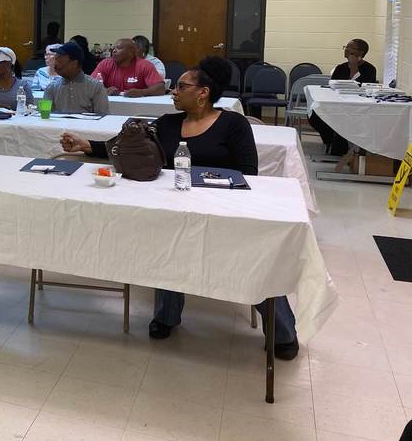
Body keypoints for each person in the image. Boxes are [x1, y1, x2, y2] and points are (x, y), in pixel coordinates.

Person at [60, 56, 299, 360]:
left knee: (255, 260)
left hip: (224, 210)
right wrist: (85, 146)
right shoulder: (168, 124)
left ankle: (283, 332)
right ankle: (166, 316)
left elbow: (247, 173)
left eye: (182, 86)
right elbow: (125, 146)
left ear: (203, 93)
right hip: (173, 208)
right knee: (167, 246)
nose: (173, 91)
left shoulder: (233, 125)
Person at [310, 39, 378, 166]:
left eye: (349, 48)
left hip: (358, 107)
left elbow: (361, 87)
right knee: (314, 116)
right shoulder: (340, 68)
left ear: (360, 52)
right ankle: (330, 141)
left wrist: (353, 67)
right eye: (345, 47)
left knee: (344, 122)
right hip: (336, 103)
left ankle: (340, 147)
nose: (346, 50)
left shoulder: (370, 69)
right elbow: (332, 85)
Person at [42, 41, 109, 114]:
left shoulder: (95, 87)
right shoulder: (52, 88)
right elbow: (46, 117)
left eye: (60, 61)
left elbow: (102, 117)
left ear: (74, 63)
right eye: (55, 60)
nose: (55, 64)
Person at [91, 38, 165, 97]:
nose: (114, 51)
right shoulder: (105, 64)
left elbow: (160, 88)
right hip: (110, 104)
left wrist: (141, 92)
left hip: (137, 106)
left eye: (119, 48)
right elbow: (90, 84)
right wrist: (104, 90)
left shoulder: (144, 65)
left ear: (131, 52)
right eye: (114, 48)